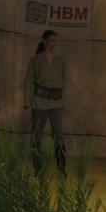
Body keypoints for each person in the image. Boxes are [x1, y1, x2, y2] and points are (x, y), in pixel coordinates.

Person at [24, 30, 67, 177]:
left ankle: (61, 168)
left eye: (56, 40)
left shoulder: (60, 60)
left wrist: (63, 100)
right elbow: (28, 81)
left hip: (56, 103)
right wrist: (27, 100)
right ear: (44, 41)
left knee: (59, 136)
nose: (54, 43)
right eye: (51, 40)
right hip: (39, 103)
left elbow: (65, 82)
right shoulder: (35, 60)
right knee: (36, 136)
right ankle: (38, 168)